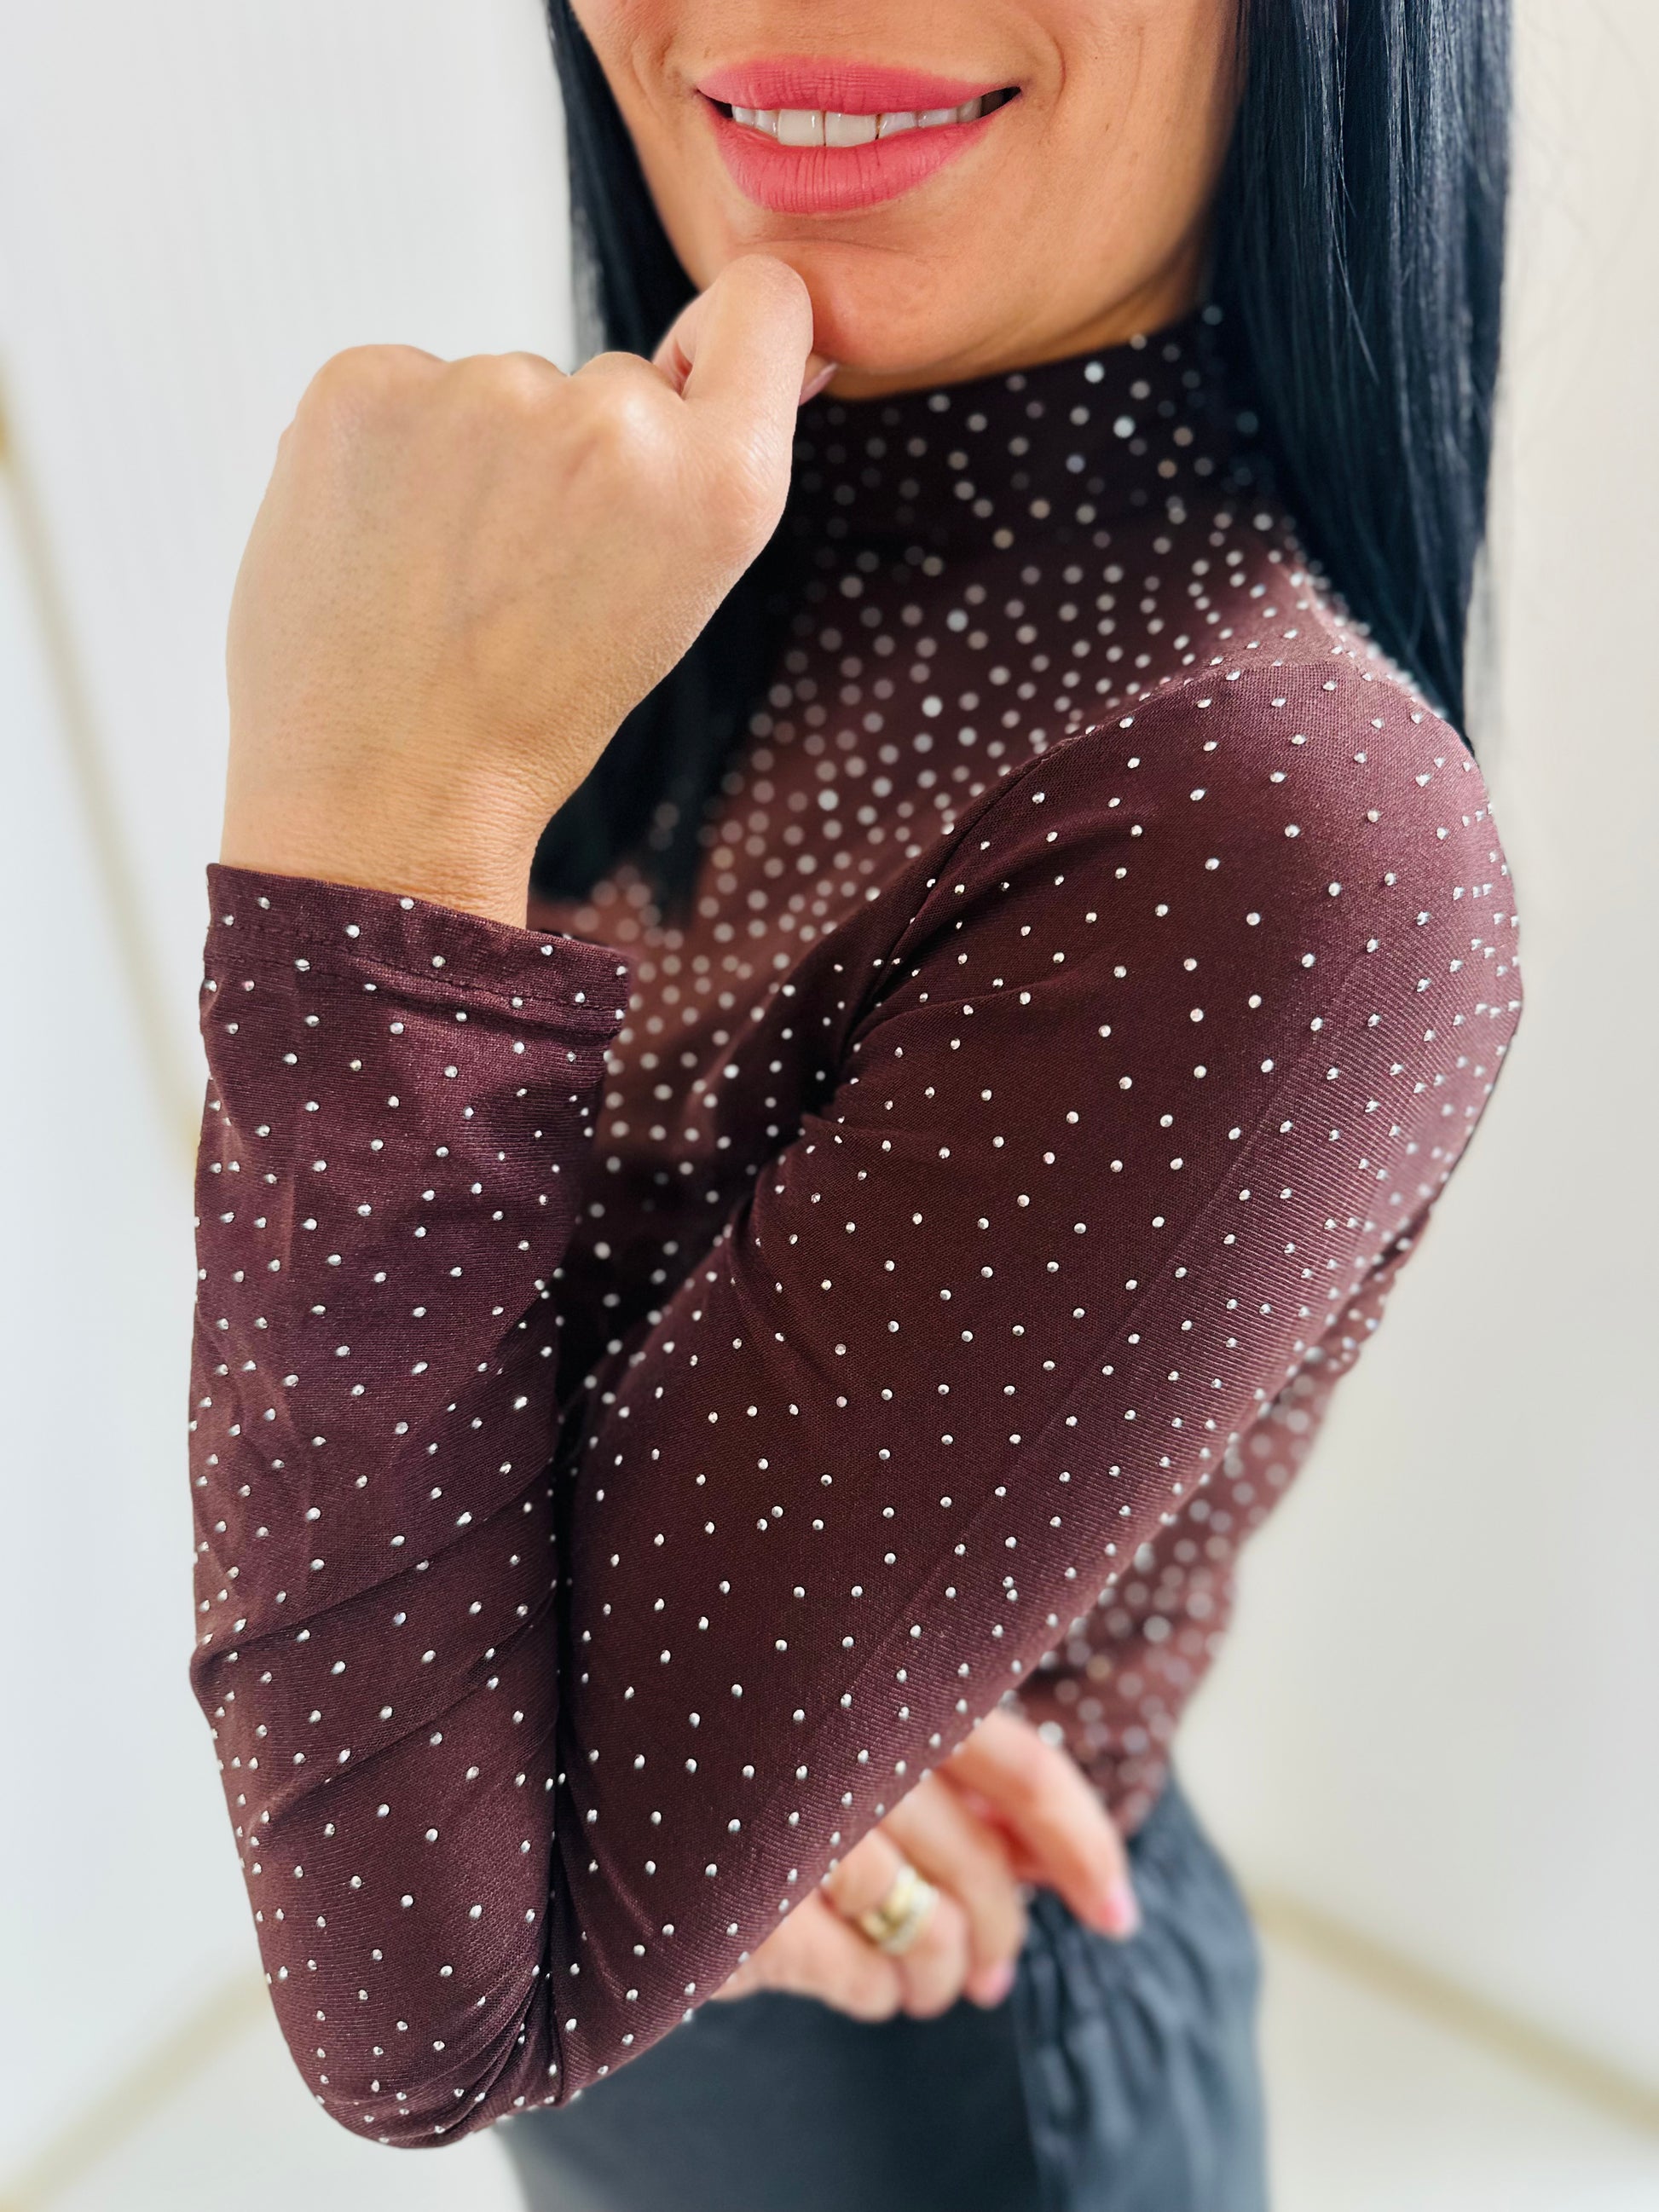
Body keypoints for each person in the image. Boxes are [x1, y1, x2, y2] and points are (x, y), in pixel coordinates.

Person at [187, 0, 1520, 2203]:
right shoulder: (654, 538)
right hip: (665, 2068)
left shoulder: (1292, 836)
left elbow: (418, 2007)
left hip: (931, 2098)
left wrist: (359, 823)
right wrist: (630, 1755)